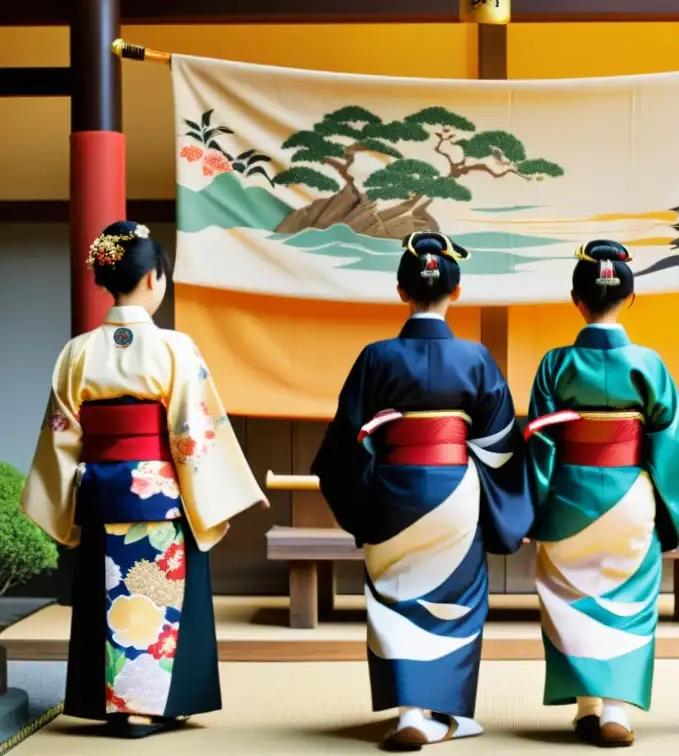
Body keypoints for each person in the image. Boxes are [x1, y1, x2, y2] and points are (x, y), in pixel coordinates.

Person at [20, 221, 267, 737]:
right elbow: (194, 433)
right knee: (160, 594)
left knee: (103, 590)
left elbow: (63, 438)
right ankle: (153, 703)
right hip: (160, 494)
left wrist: (65, 502)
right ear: (155, 278)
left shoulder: (77, 352)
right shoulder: (176, 348)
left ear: (108, 279)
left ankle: (112, 700)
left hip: (100, 491)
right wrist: (219, 492)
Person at [312, 231, 533, 750]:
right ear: (456, 292)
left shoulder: (376, 357)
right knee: (457, 597)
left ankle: (410, 713)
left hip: (392, 486)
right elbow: (500, 443)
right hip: (457, 490)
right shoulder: (476, 358)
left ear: (400, 290)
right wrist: (508, 509)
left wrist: (364, 493)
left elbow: (346, 440)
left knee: (393, 593)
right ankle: (443, 710)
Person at [524, 240, 679, 748]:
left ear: (576, 299)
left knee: (567, 596)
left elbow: (541, 440)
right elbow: (675, 439)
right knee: (630, 598)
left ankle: (584, 707)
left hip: (568, 496)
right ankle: (616, 712)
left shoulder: (555, 364)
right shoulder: (650, 363)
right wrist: (664, 499)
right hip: (630, 495)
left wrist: (532, 507)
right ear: (631, 298)